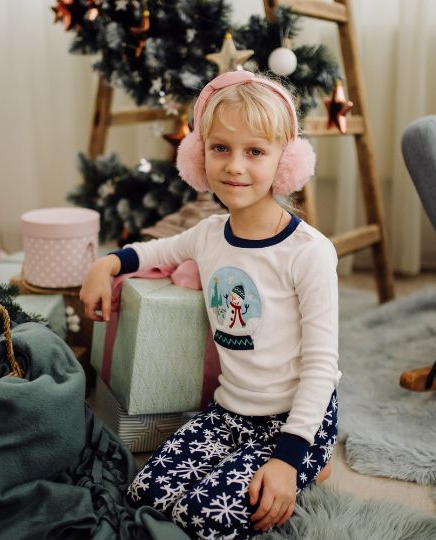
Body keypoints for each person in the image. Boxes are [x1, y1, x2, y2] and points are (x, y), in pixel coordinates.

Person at [80, 69, 340, 539]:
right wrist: (106, 266)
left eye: (255, 151)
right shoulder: (208, 236)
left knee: (210, 516)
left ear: (286, 162)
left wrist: (288, 456)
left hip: (296, 419)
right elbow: (152, 253)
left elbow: (322, 366)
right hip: (230, 411)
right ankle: (277, 463)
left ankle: (312, 462)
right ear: (199, 155)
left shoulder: (309, 253)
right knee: (147, 493)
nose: (234, 166)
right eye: (220, 148)